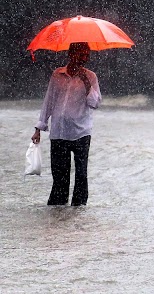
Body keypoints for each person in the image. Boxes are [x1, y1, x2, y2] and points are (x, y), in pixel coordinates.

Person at [31, 42, 102, 206]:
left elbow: (95, 103)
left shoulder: (91, 76)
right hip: (59, 132)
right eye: (81, 54)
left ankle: (79, 211)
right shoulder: (57, 74)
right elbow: (49, 101)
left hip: (81, 133)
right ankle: (58, 211)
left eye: (87, 55)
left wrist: (86, 82)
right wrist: (39, 128)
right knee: (59, 175)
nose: (85, 58)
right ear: (71, 54)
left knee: (81, 175)